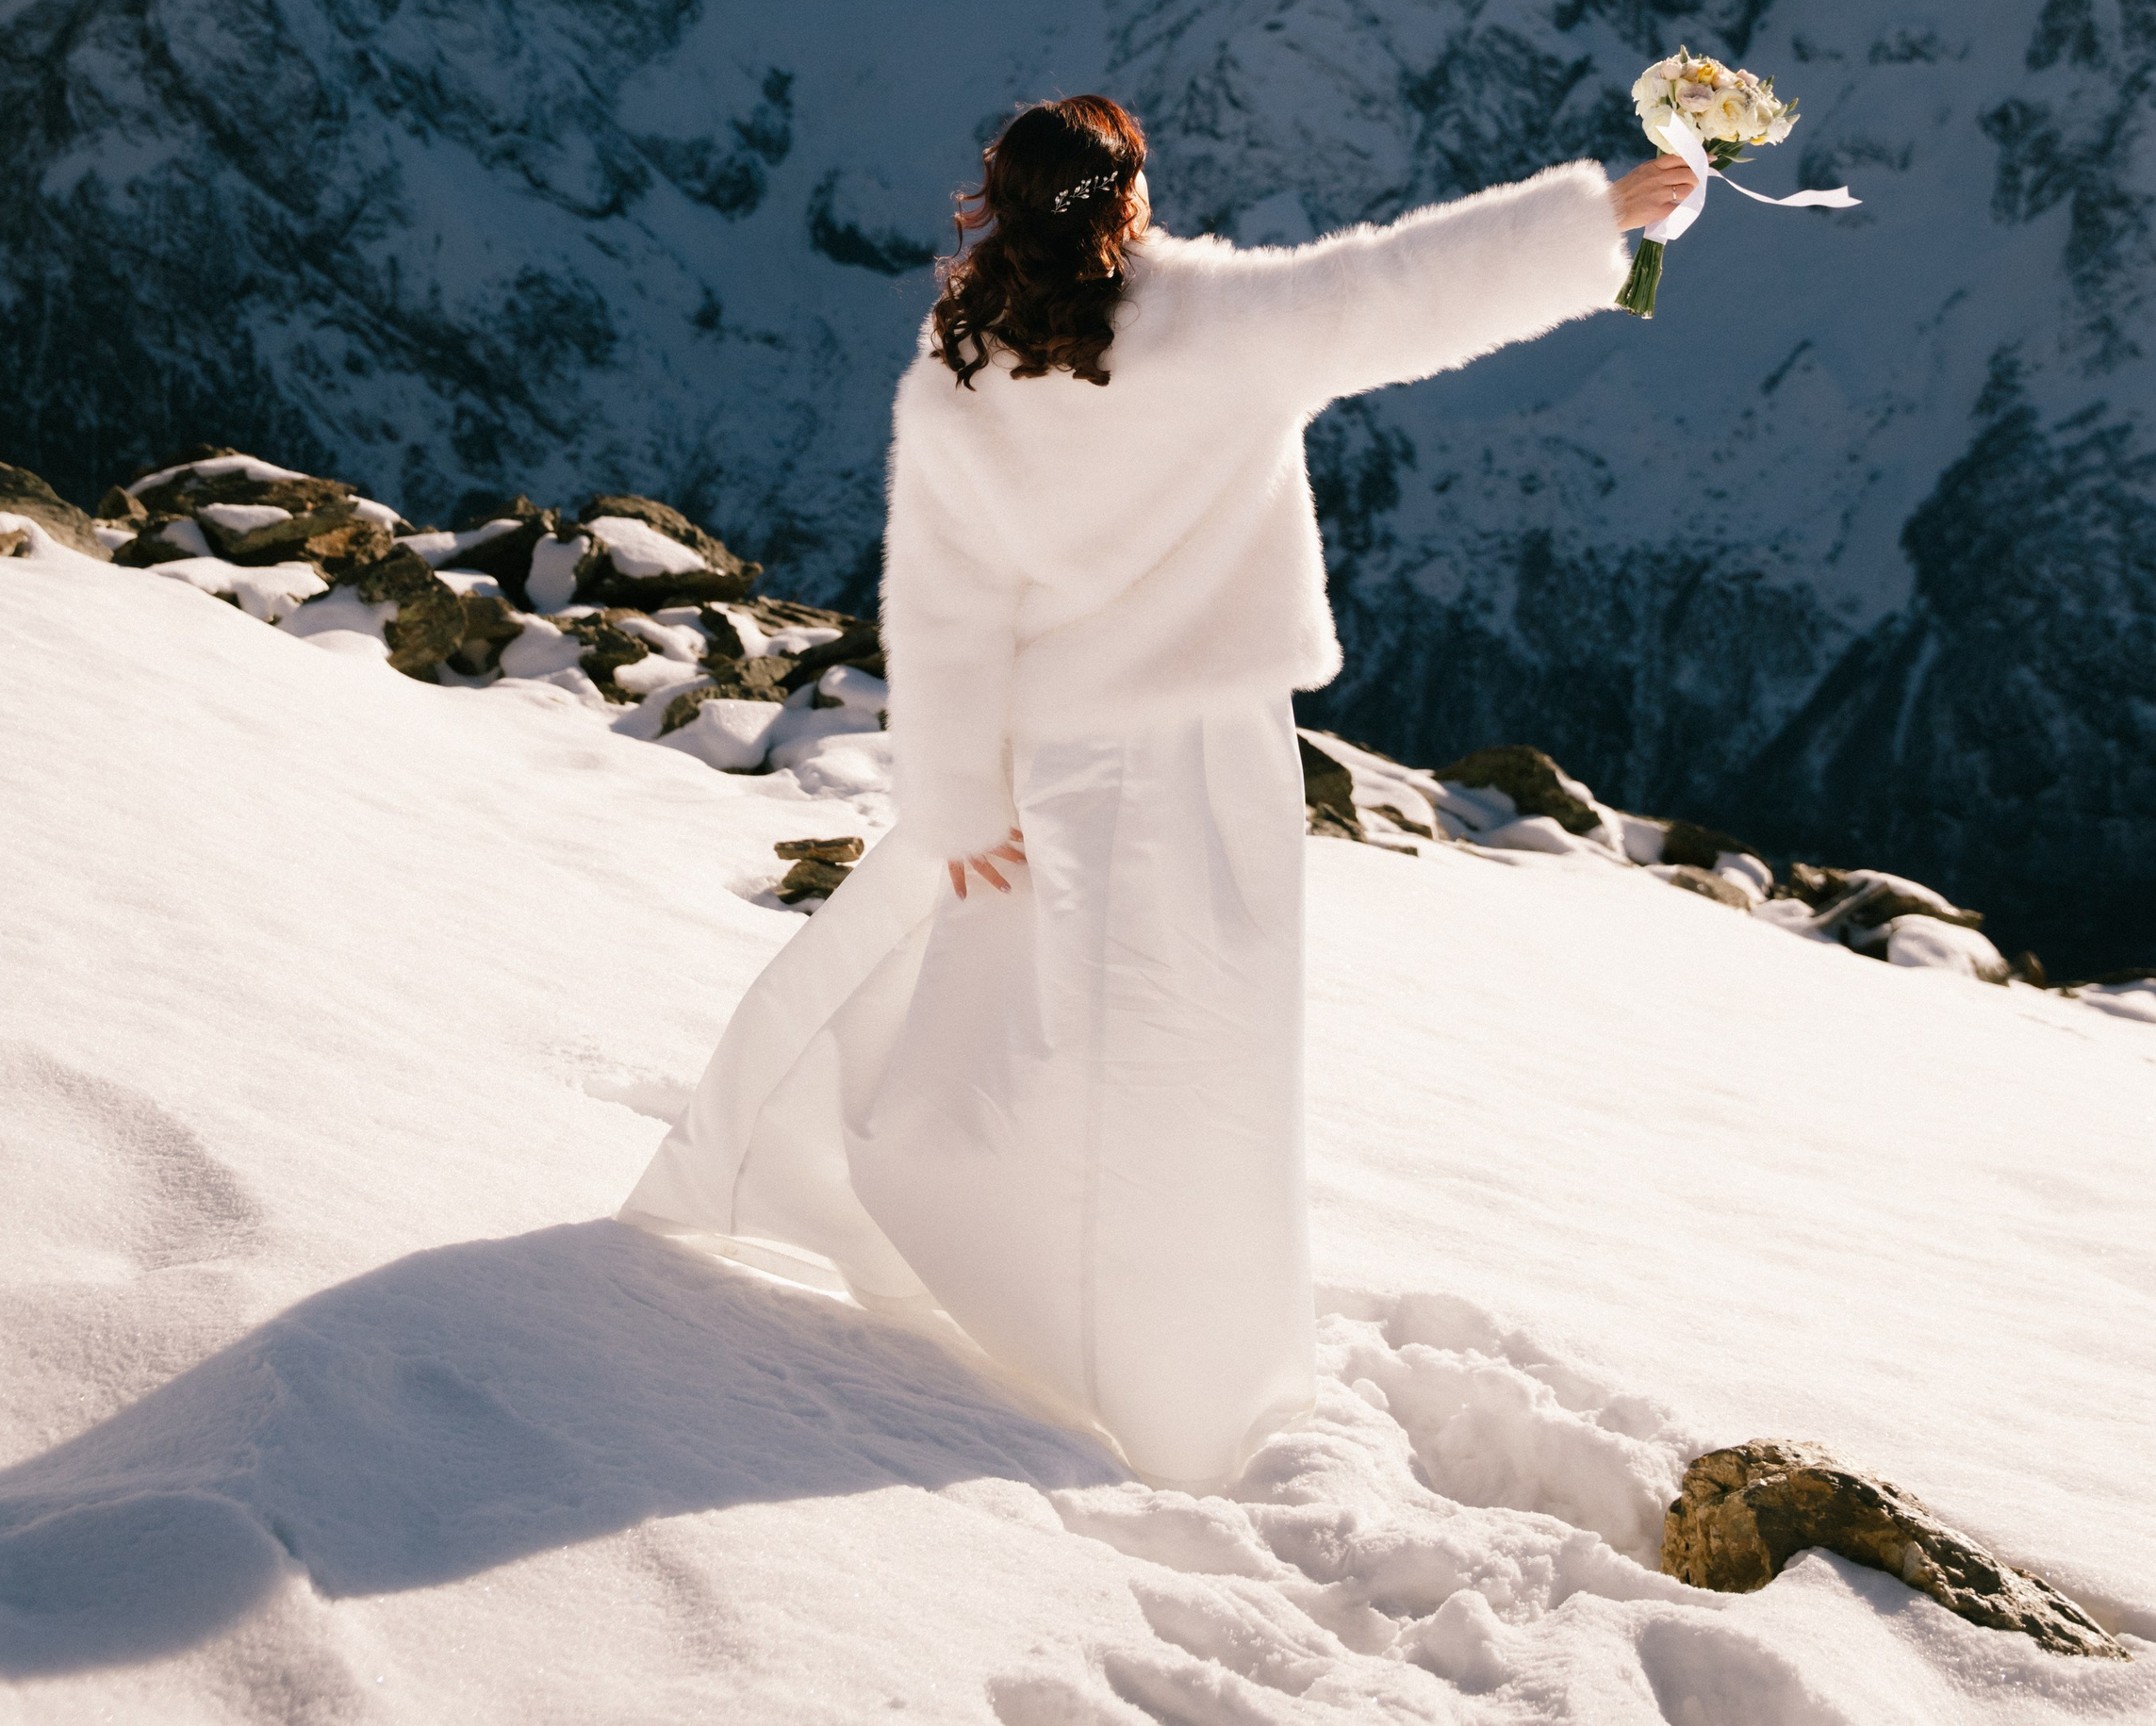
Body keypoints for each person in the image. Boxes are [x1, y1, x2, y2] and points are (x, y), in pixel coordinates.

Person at [624, 97, 1697, 1488]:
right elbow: (1401, 286)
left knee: (1012, 1020)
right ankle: (1176, 1374)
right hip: (1205, 757)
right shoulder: (1222, 324)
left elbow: (944, 612)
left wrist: (955, 801)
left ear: (1001, 207)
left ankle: (973, 1247)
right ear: (1126, 201)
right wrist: (1597, 217)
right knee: (1196, 1059)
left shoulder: (961, 371)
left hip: (1046, 755)